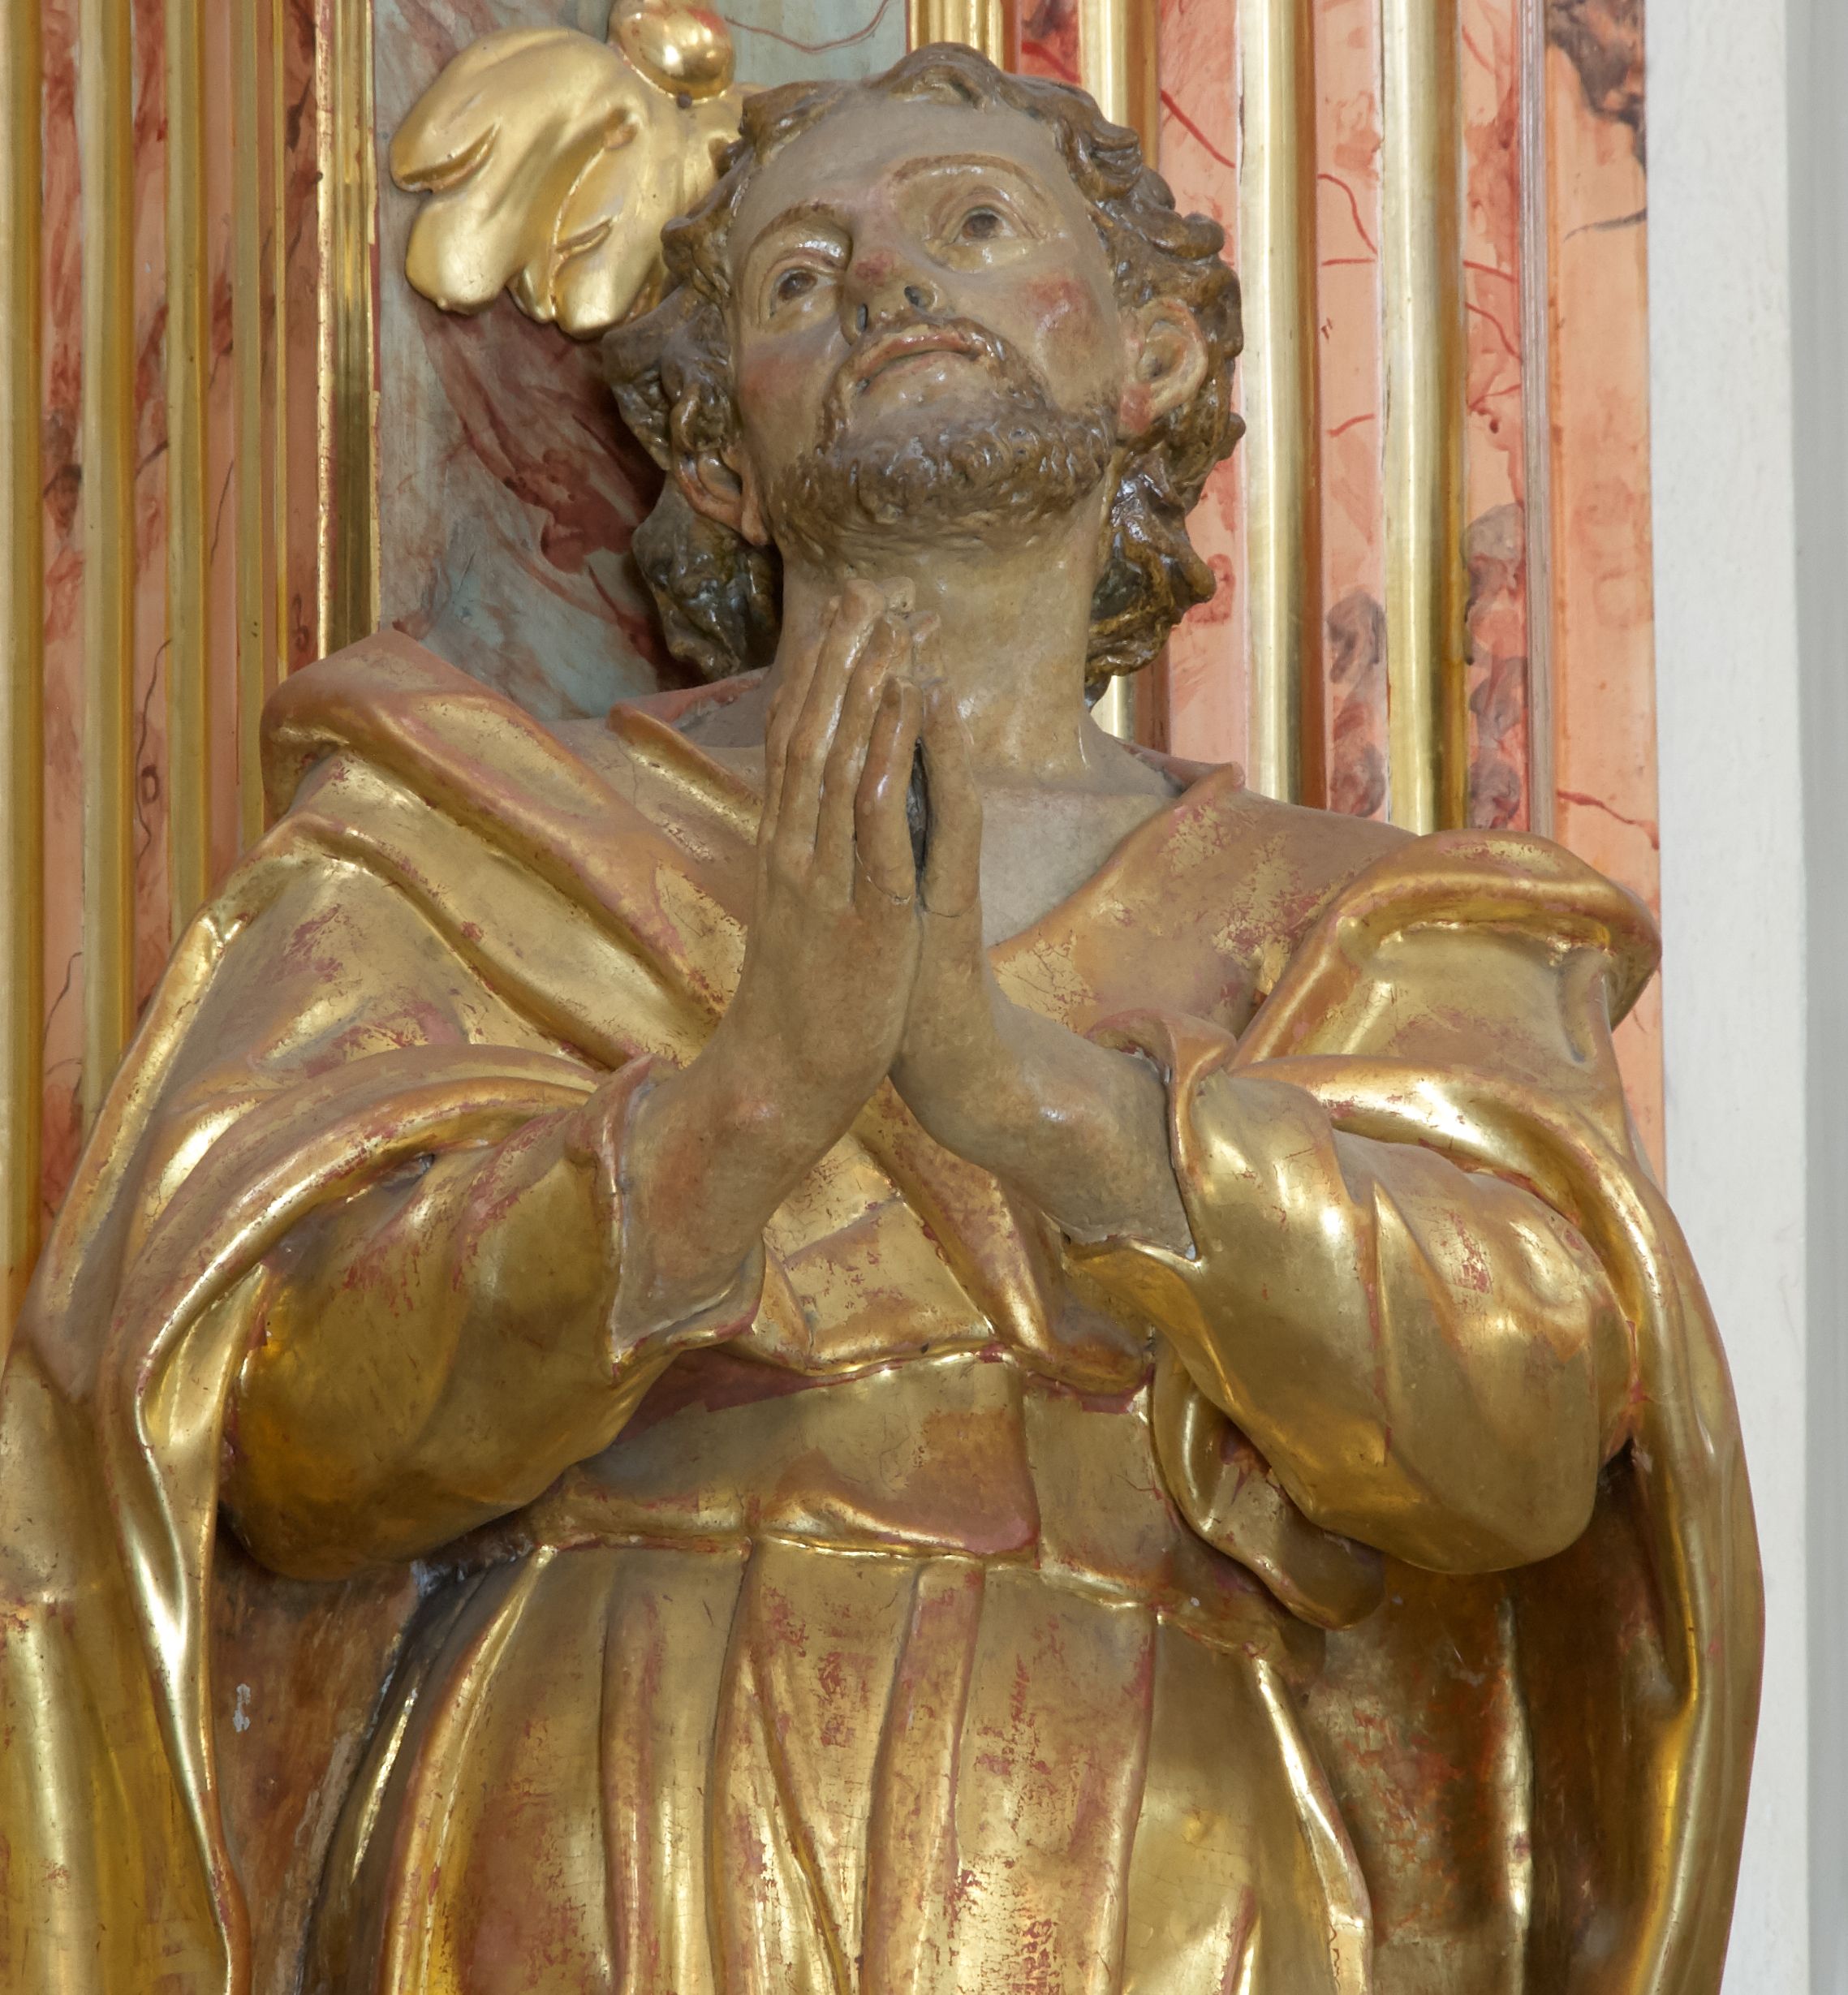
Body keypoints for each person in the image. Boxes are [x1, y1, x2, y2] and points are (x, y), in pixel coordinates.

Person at [0, 44, 1758, 1995]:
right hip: (593, 1815)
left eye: (973, 224)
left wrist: (1049, 1106)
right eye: (797, 275)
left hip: (1156, 1854)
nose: (888, 281)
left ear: (1150, 356)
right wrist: (740, 1110)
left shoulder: (1370, 924)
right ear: (723, 463)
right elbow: (291, 1436)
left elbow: (1528, 1441)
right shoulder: (486, 845)